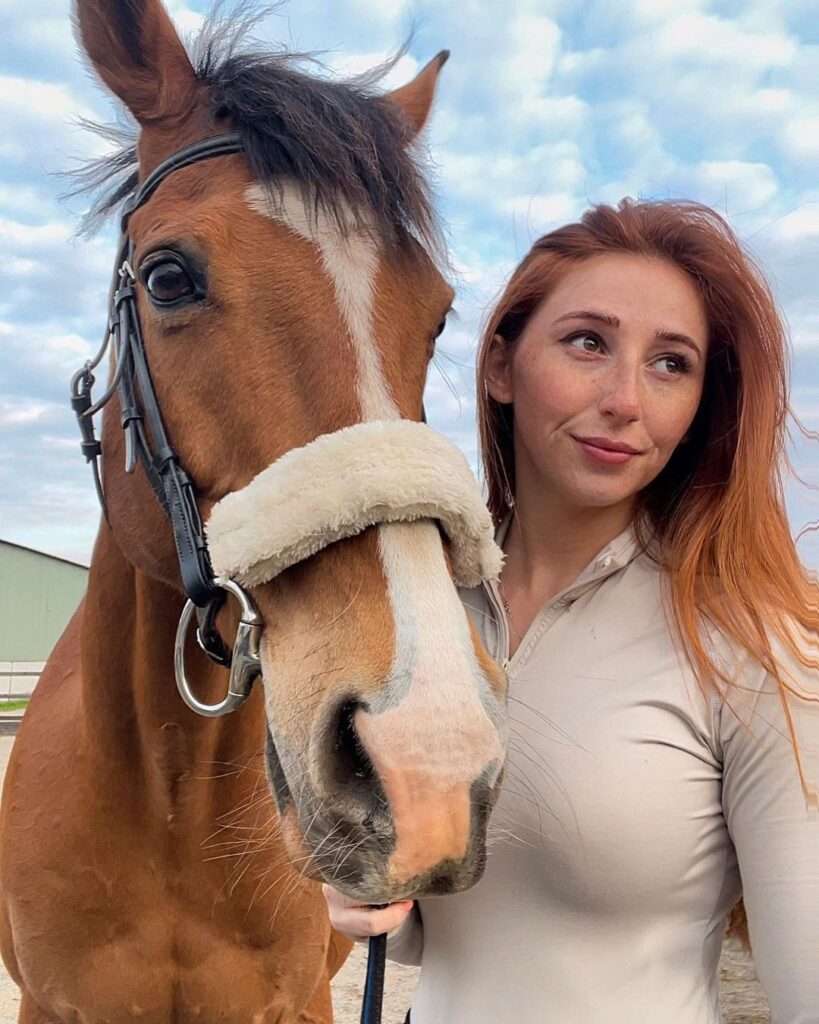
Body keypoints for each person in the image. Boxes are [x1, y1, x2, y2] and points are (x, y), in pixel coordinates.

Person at [323, 198, 819, 1022]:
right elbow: (436, 933)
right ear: (499, 366)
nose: (626, 399)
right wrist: (359, 896)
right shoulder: (420, 617)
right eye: (588, 342)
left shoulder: (752, 645)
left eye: (670, 364)